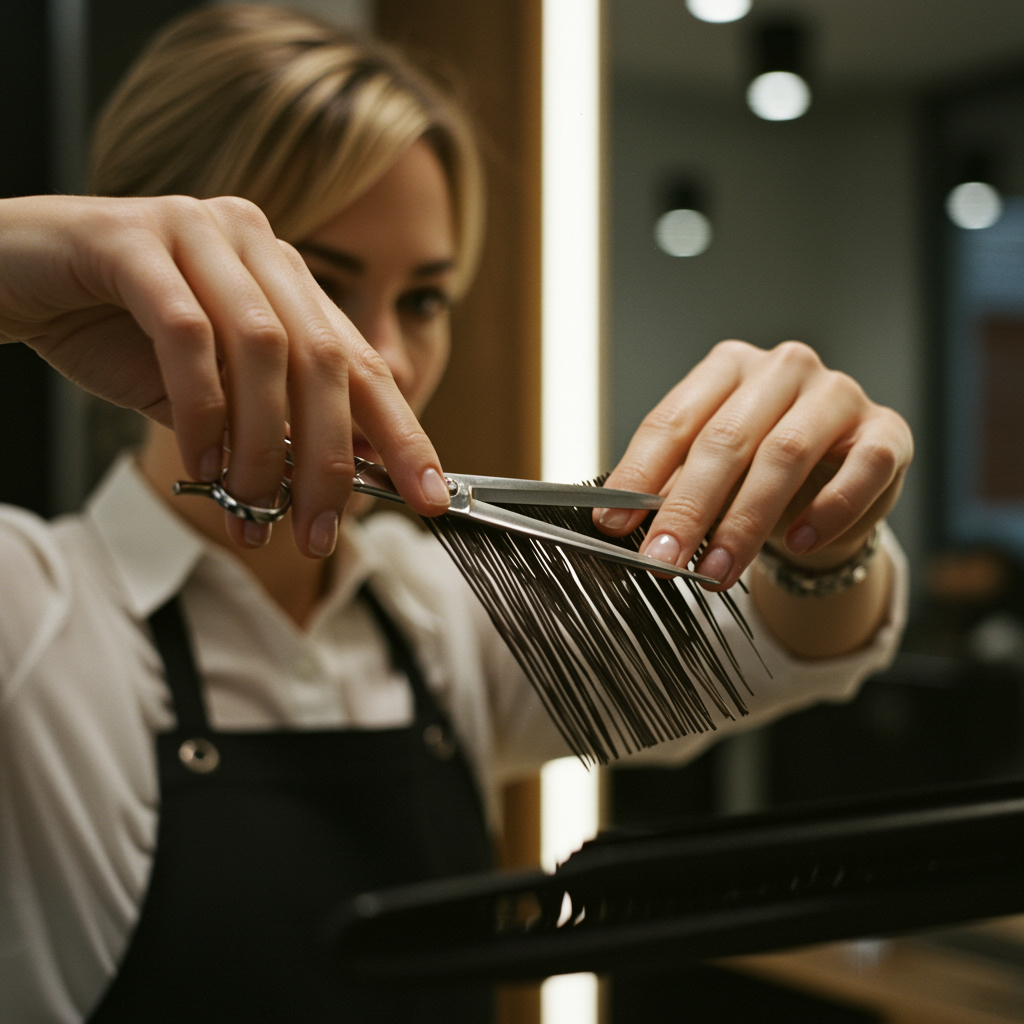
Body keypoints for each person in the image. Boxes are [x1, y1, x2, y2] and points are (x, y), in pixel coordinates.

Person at [0, 6, 912, 1021]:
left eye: (425, 299)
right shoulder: (29, 616)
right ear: (134, 276)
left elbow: (786, 645)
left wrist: (825, 533)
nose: (389, 355)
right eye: (317, 281)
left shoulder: (442, 622)